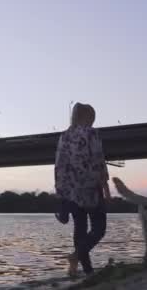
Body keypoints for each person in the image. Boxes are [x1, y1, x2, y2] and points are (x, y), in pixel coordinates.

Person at [55, 102, 110, 276]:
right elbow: (98, 160)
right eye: (92, 118)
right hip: (90, 188)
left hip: (72, 191)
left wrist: (61, 191)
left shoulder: (64, 136)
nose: (93, 122)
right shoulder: (91, 133)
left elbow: (59, 165)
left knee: (79, 229)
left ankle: (87, 270)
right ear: (87, 117)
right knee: (99, 228)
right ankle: (76, 257)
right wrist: (105, 186)